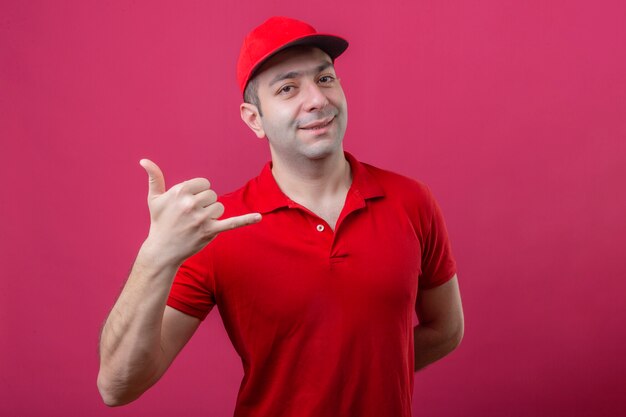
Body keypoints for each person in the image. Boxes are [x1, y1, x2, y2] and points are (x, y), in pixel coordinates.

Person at [97, 16, 464, 417]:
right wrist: (154, 258)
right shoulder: (219, 227)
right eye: (288, 88)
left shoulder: (411, 201)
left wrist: (362, 375)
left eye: (325, 79)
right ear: (255, 119)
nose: (317, 99)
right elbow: (118, 386)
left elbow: (446, 330)